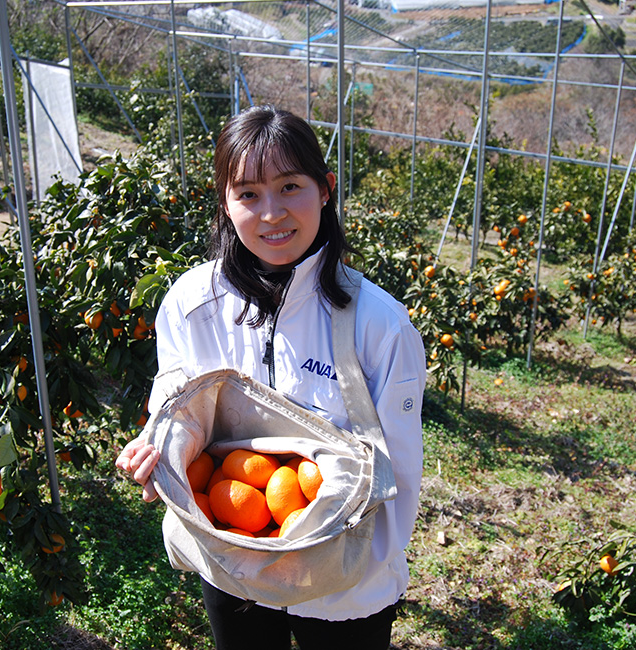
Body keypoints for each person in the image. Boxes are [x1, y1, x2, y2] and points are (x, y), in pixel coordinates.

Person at [115, 104, 426, 650]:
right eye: (249, 194)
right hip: (234, 555)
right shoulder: (193, 302)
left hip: (344, 583)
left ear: (326, 189)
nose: (271, 213)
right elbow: (175, 396)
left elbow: (399, 462)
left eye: (289, 187)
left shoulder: (379, 324)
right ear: (225, 202)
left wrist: (369, 572)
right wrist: (156, 445)